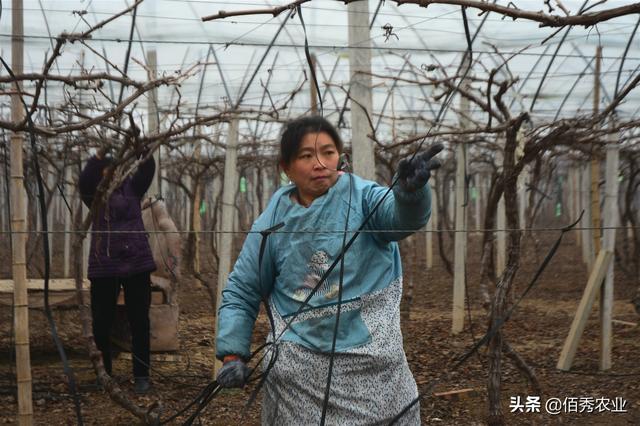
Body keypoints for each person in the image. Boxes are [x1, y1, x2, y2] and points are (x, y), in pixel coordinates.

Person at [215, 115, 441, 424]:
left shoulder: (364, 198)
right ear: (286, 167)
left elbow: (400, 219)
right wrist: (232, 354)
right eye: (306, 156)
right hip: (299, 382)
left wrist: (410, 194)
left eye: (328, 152)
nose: (319, 163)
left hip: (373, 367)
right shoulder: (272, 223)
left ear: (341, 156)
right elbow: (243, 288)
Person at [79, 147, 156, 394]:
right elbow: (85, 182)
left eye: (114, 170)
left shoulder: (133, 189)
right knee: (102, 323)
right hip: (105, 265)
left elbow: (147, 169)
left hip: (137, 262)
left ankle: (142, 377)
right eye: (106, 171)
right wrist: (97, 158)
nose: (111, 175)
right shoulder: (96, 196)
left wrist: (142, 149)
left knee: (140, 323)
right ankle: (105, 375)